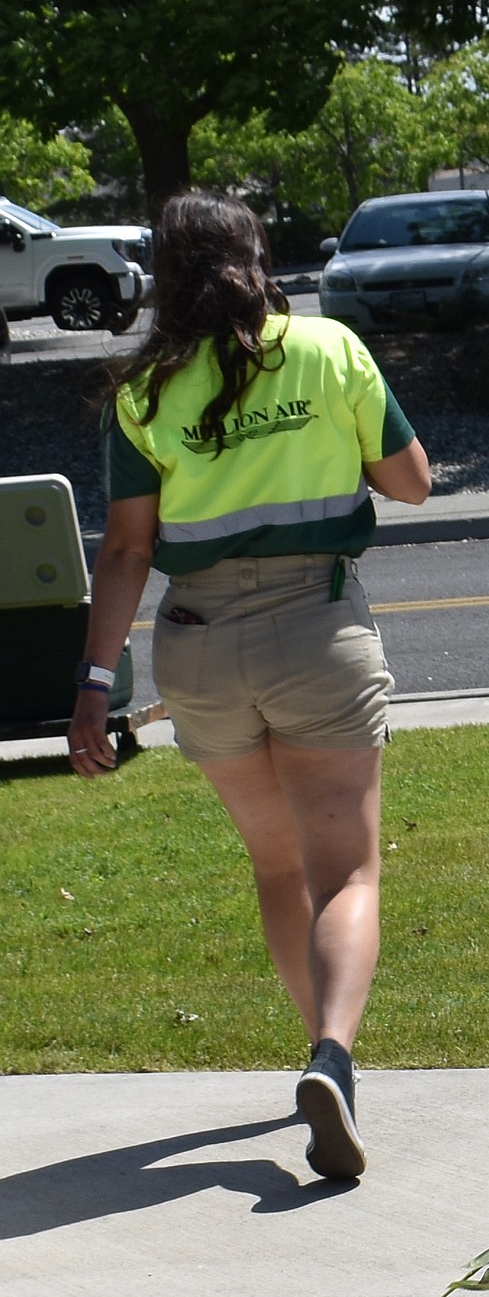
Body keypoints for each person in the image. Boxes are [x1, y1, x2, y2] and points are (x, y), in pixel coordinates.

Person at [68, 191, 431, 1181]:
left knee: (280, 869)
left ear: (164, 275)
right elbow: (412, 481)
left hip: (197, 643)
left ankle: (321, 1054)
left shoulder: (143, 392)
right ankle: (334, 1059)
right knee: (349, 871)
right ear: (257, 256)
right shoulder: (328, 349)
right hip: (317, 629)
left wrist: (97, 683)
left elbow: (129, 549)